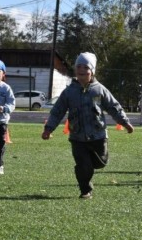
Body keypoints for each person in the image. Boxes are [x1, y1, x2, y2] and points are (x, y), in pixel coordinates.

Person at [41, 52, 134, 199]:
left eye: (85, 67)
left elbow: (113, 107)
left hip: (98, 135)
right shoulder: (69, 92)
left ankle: (90, 166)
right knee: (83, 165)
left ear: (92, 71)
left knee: (101, 162)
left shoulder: (99, 90)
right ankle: (85, 190)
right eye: (78, 66)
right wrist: (48, 129)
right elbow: (57, 111)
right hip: (77, 137)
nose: (82, 70)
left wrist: (125, 122)